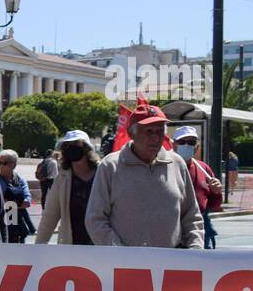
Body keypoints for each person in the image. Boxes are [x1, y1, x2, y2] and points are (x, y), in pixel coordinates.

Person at [85, 102, 202, 249]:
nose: (155, 137)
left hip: (172, 265)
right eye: (148, 131)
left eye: (159, 131)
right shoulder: (110, 166)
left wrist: (195, 251)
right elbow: (95, 219)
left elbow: (191, 216)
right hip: (126, 266)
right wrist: (120, 253)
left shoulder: (177, 164)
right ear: (131, 133)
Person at [35, 130, 99, 245]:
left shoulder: (102, 173)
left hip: (101, 245)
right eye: (67, 146)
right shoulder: (62, 178)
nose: (71, 149)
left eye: (76, 145)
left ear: (86, 148)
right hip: (71, 245)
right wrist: (38, 248)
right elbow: (50, 216)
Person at [172, 126, 223, 250]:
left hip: (201, 227)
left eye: (191, 142)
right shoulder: (165, 167)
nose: (187, 145)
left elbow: (214, 205)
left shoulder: (203, 168)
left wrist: (216, 192)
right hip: (174, 227)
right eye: (182, 142)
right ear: (174, 145)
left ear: (197, 147)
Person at [0, 149, 35, 243]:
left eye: (4, 163)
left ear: (13, 164)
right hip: (3, 221)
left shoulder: (20, 180)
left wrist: (9, 202)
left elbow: (27, 201)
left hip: (19, 222)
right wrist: (16, 202)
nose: (0, 165)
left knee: (20, 248)